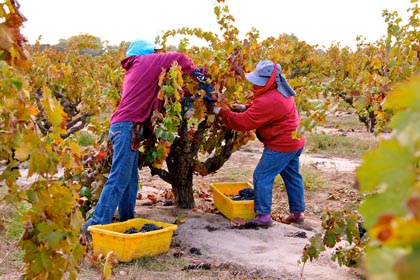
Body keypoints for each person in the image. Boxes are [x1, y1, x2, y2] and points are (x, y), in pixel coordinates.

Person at [82, 39, 198, 239]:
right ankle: (96, 224)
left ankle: (127, 219)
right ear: (148, 53)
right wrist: (196, 73)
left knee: (129, 179)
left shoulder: (137, 69)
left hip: (125, 128)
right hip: (126, 128)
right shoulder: (144, 62)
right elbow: (179, 58)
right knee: (119, 178)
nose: (157, 56)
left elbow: (159, 96)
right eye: (154, 52)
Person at [210, 60, 306, 228]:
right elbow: (261, 107)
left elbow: (244, 122)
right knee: (292, 176)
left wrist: (220, 112)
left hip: (281, 145)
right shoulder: (281, 88)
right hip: (295, 140)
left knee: (262, 176)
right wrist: (244, 106)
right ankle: (297, 214)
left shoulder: (272, 99)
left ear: (270, 80)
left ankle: (263, 217)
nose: (256, 84)